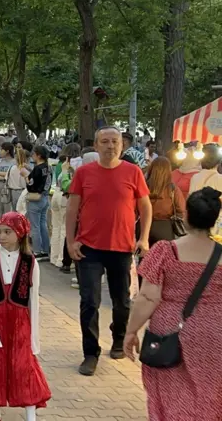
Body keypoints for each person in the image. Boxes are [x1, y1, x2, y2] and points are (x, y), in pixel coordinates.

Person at [123, 187, 222, 420]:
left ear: (186, 215)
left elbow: (148, 297)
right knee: (209, 392)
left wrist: (131, 331)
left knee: (169, 392)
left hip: (169, 331)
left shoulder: (166, 251)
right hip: (214, 333)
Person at [66, 126, 151, 376]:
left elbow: (146, 208)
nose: (110, 146)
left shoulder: (133, 172)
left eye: (115, 141)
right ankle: (90, 353)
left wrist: (143, 238)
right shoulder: (83, 173)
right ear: (96, 145)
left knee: (122, 301)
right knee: (90, 302)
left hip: (122, 247)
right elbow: (72, 210)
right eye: (105, 141)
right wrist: (71, 242)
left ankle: (118, 338)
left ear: (122, 145)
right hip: (88, 248)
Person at [0, 212, 51, 421]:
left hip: (19, 321)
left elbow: (34, 301)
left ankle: (30, 412)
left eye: (8, 232)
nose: (2, 236)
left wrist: (33, 338)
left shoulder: (30, 261)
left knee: (23, 366)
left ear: (20, 234)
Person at [146, 157, 186, 246]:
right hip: (165, 228)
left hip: (143, 227)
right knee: (163, 257)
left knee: (144, 258)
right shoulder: (172, 189)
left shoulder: (143, 186)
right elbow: (181, 210)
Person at [25, 145, 52, 260]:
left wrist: (25, 176)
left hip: (36, 198)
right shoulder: (48, 167)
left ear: (38, 155)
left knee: (35, 226)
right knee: (43, 224)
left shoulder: (37, 168)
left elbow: (31, 184)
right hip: (45, 196)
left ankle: (37, 250)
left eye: (34, 153)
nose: (32, 155)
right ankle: (45, 249)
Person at [0, 142, 17, 218]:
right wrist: (5, 177)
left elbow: (15, 175)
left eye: (1, 149)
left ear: (7, 151)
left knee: (7, 210)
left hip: (9, 187)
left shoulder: (15, 162)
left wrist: (0, 173)